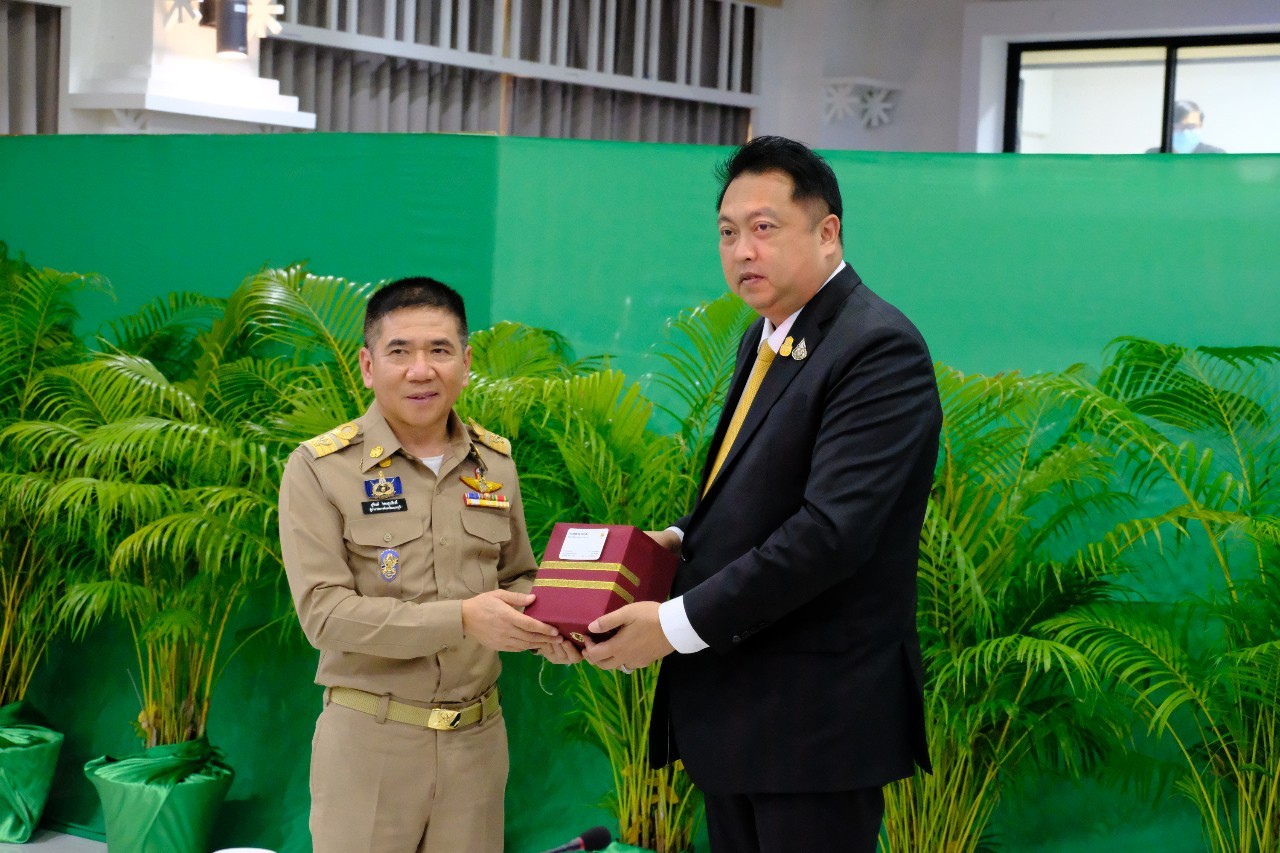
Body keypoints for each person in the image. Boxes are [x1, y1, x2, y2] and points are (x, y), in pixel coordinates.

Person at [582, 136, 941, 851]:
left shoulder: (876, 347)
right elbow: (752, 493)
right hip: (740, 717)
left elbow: (830, 533)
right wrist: (673, 542)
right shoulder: (766, 336)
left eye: (764, 227)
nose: (743, 250)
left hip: (814, 727)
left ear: (827, 231)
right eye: (727, 232)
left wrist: (673, 624)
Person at [279, 277, 575, 853]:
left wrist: (555, 626)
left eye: (439, 350)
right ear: (368, 366)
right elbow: (324, 615)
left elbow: (517, 576)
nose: (421, 370)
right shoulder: (319, 468)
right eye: (400, 352)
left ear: (465, 363)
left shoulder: (494, 463)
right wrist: (462, 619)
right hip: (370, 745)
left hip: (477, 744)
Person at [1147, 100, 1226, 154]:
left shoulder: (1216, 156)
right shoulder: (1153, 155)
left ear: (1201, 126)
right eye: (1179, 127)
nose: (1185, 132)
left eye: (1191, 126)